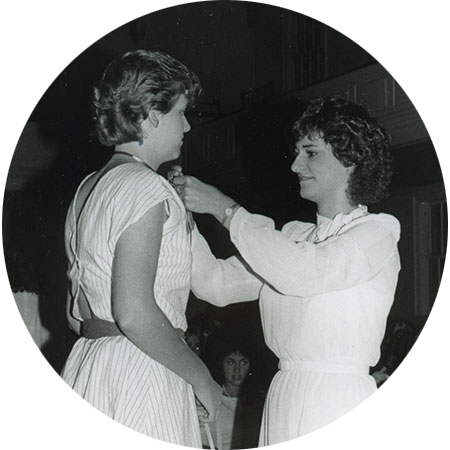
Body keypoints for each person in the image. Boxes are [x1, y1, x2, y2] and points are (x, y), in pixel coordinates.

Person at [172, 97, 401, 444]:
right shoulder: (294, 237)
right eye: (296, 153)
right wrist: (183, 216)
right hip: (284, 395)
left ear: (350, 160)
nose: (295, 165)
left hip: (337, 400)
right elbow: (214, 284)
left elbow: (302, 273)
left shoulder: (377, 232)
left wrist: (224, 208)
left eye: (310, 152)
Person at [61, 50, 221, 446]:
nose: (186, 126)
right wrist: (202, 379)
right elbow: (133, 313)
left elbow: (74, 314)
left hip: (90, 368)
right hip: (144, 372)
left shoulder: (86, 189)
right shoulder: (147, 186)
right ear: (152, 115)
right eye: (181, 112)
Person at [200, 332, 264, 450]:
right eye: (230, 362)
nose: (237, 370)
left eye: (243, 362)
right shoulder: (208, 397)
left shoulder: (261, 402)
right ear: (220, 364)